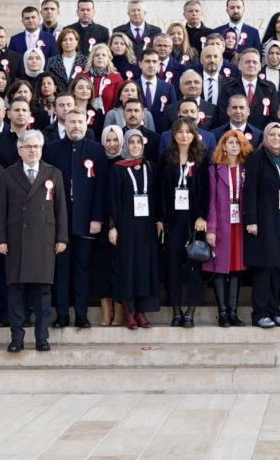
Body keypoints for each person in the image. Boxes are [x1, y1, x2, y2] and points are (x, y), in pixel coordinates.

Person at [0, 130, 69, 352]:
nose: (33, 150)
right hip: (16, 240)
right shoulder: (7, 174)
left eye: (36, 146)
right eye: (28, 147)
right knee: (15, 293)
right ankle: (17, 338)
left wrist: (62, 237)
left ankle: (41, 338)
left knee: (43, 295)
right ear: (19, 150)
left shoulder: (53, 173)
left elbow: (61, 209)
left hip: (44, 240)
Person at [43, 111, 105, 328]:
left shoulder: (96, 150)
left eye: (80, 121)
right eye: (72, 122)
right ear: (64, 123)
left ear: (86, 123)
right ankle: (61, 315)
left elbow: (100, 188)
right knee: (61, 270)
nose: (76, 125)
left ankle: (81, 314)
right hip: (59, 220)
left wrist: (97, 218)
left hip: (86, 221)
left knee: (81, 269)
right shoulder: (51, 150)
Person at [243, 123, 280, 328]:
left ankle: (274, 310)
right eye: (272, 134)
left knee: (277, 269)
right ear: (265, 137)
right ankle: (259, 313)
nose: (276, 138)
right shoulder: (257, 158)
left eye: (279, 134)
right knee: (263, 269)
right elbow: (249, 191)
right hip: (264, 222)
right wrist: (251, 220)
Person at [105, 129, 162, 329]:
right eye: (132, 143)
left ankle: (141, 311)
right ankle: (128, 311)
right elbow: (112, 200)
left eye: (139, 142)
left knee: (144, 266)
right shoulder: (117, 168)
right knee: (128, 266)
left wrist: (159, 221)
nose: (135, 146)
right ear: (125, 145)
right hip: (126, 224)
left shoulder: (150, 166)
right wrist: (113, 227)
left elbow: (156, 196)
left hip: (146, 225)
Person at [158, 119, 210, 328]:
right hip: (172, 219)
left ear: (194, 134)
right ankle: (176, 309)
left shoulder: (201, 157)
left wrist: (202, 216)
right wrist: (160, 218)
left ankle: (190, 310)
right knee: (172, 265)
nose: (184, 135)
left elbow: (207, 189)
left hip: (193, 219)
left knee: (193, 264)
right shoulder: (166, 157)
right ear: (174, 135)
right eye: (180, 132)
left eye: (188, 132)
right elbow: (159, 189)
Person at [204, 130, 251, 326]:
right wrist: (211, 229)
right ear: (223, 145)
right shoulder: (215, 170)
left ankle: (233, 311)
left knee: (236, 267)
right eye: (230, 142)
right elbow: (212, 202)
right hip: (222, 224)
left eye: (237, 143)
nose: (234, 146)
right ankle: (222, 312)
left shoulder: (246, 169)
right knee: (220, 267)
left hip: (240, 224)